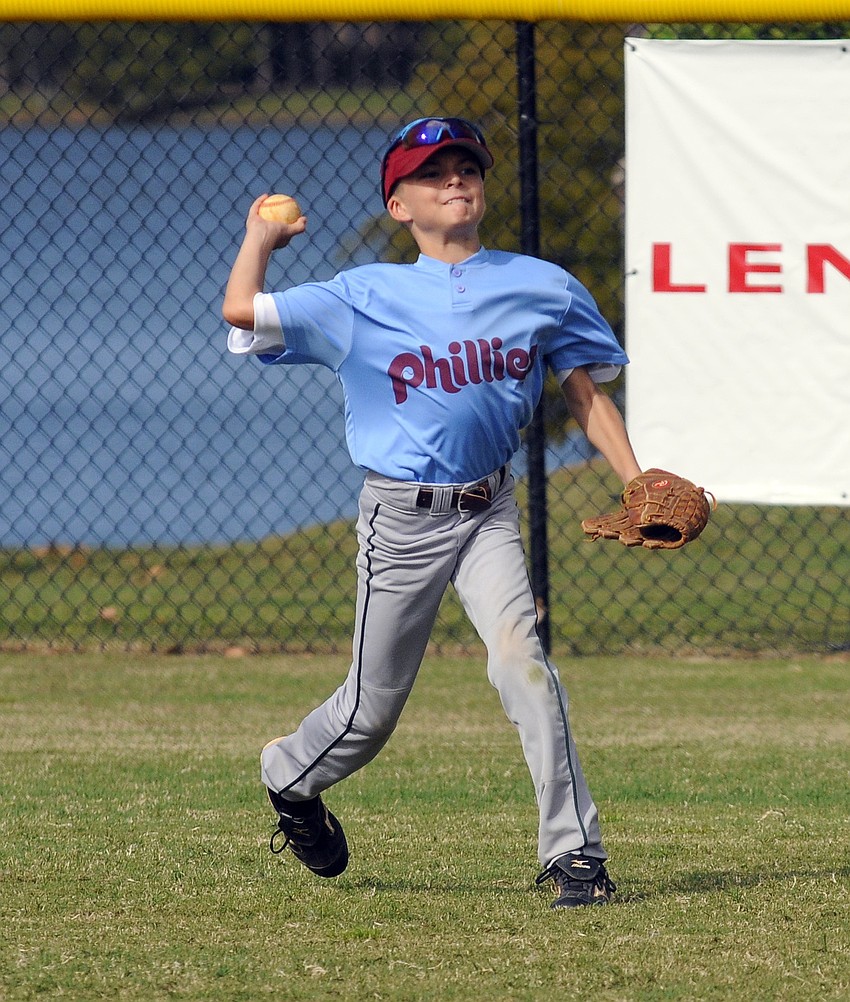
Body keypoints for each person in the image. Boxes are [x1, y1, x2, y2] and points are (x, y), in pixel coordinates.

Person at [222, 116, 642, 909]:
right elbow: (242, 310)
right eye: (432, 172)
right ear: (399, 206)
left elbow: (582, 388)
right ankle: (289, 776)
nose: (455, 179)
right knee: (370, 713)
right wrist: (260, 237)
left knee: (525, 667)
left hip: (489, 510)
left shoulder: (541, 285)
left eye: (466, 167)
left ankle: (575, 854)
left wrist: (634, 480)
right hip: (402, 520)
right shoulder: (361, 296)